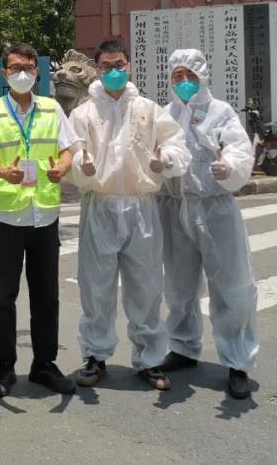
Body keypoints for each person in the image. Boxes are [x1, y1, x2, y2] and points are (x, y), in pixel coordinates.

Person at [68, 38, 190, 391]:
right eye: (107, 66)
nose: (114, 72)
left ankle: (150, 359)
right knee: (96, 286)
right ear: (97, 68)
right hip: (100, 205)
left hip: (141, 206)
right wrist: (81, 165)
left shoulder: (148, 110)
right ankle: (95, 356)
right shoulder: (84, 113)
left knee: (147, 286)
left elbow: (175, 144)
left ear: (129, 66)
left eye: (120, 64)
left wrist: (164, 160)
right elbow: (71, 153)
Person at [0, 43, 80, 397]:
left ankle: (44, 364)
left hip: (45, 215)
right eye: (16, 67)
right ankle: (5, 367)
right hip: (7, 216)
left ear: (38, 73)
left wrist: (63, 166)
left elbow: (68, 148)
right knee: (4, 296)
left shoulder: (51, 108)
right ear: (4, 73)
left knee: (46, 295)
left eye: (29, 68)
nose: (23, 74)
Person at [157, 49, 258, 400]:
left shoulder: (221, 112)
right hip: (174, 207)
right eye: (177, 76)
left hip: (215, 209)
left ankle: (238, 360)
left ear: (203, 75)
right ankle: (183, 347)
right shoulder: (165, 114)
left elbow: (238, 149)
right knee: (179, 284)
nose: (184, 82)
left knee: (231, 284)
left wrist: (228, 166)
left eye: (189, 76)